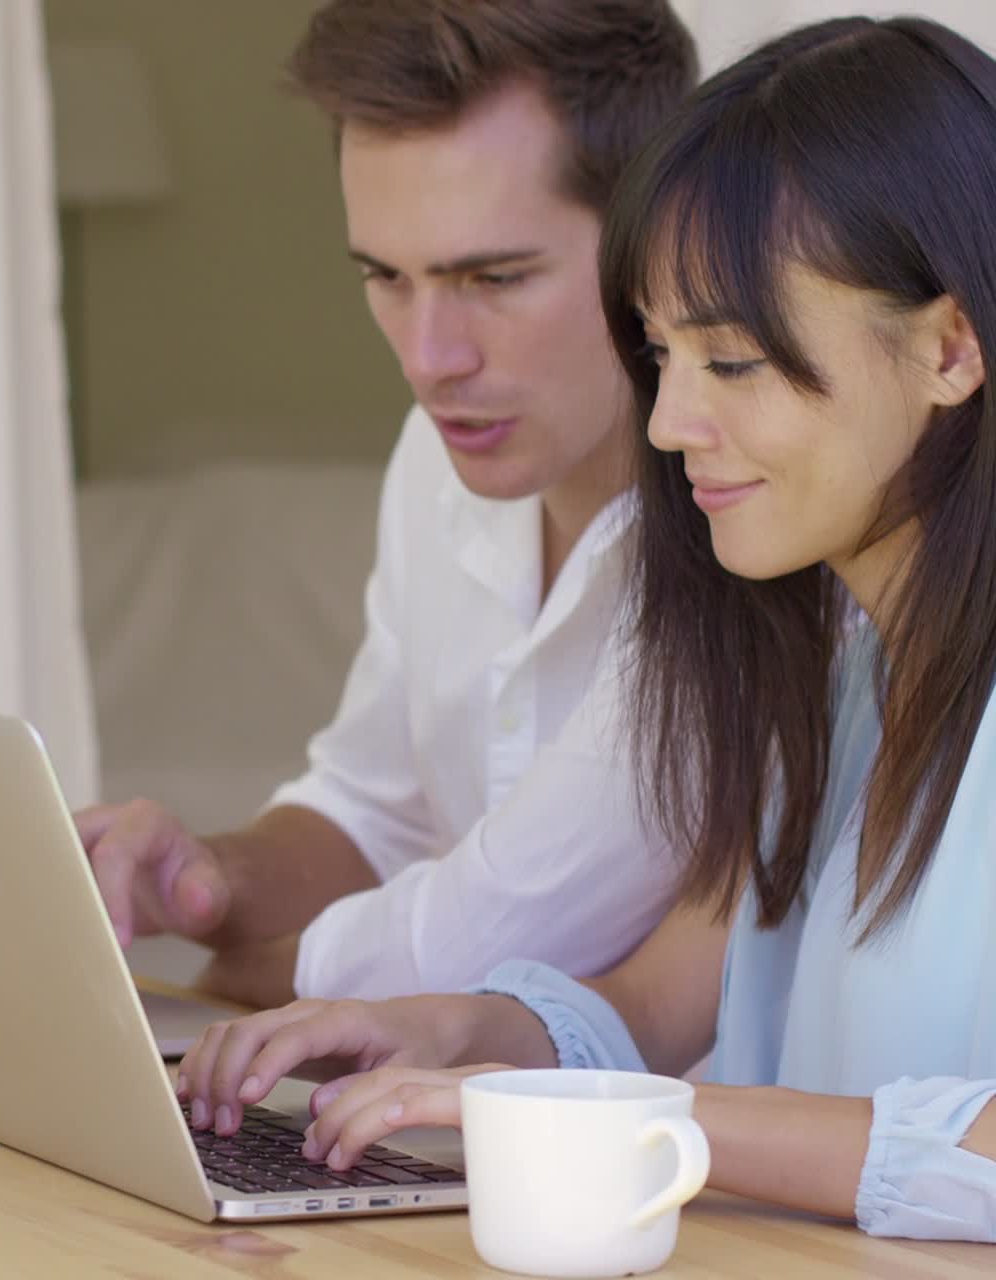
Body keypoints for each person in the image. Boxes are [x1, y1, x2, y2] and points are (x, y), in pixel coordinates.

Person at [174, 15, 996, 1241]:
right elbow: (656, 1005)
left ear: (946, 346)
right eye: (661, 355)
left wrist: (654, 1126)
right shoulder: (842, 664)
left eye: (731, 361)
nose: (666, 424)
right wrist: (452, 1033)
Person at [75, 0, 699, 1008]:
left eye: (493, 277)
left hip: (666, 1154)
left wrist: (247, 979)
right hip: (430, 1133)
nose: (427, 359)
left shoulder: (746, 519)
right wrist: (206, 878)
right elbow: (374, 810)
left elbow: (492, 926)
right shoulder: (435, 452)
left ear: (657, 236)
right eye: (385, 276)